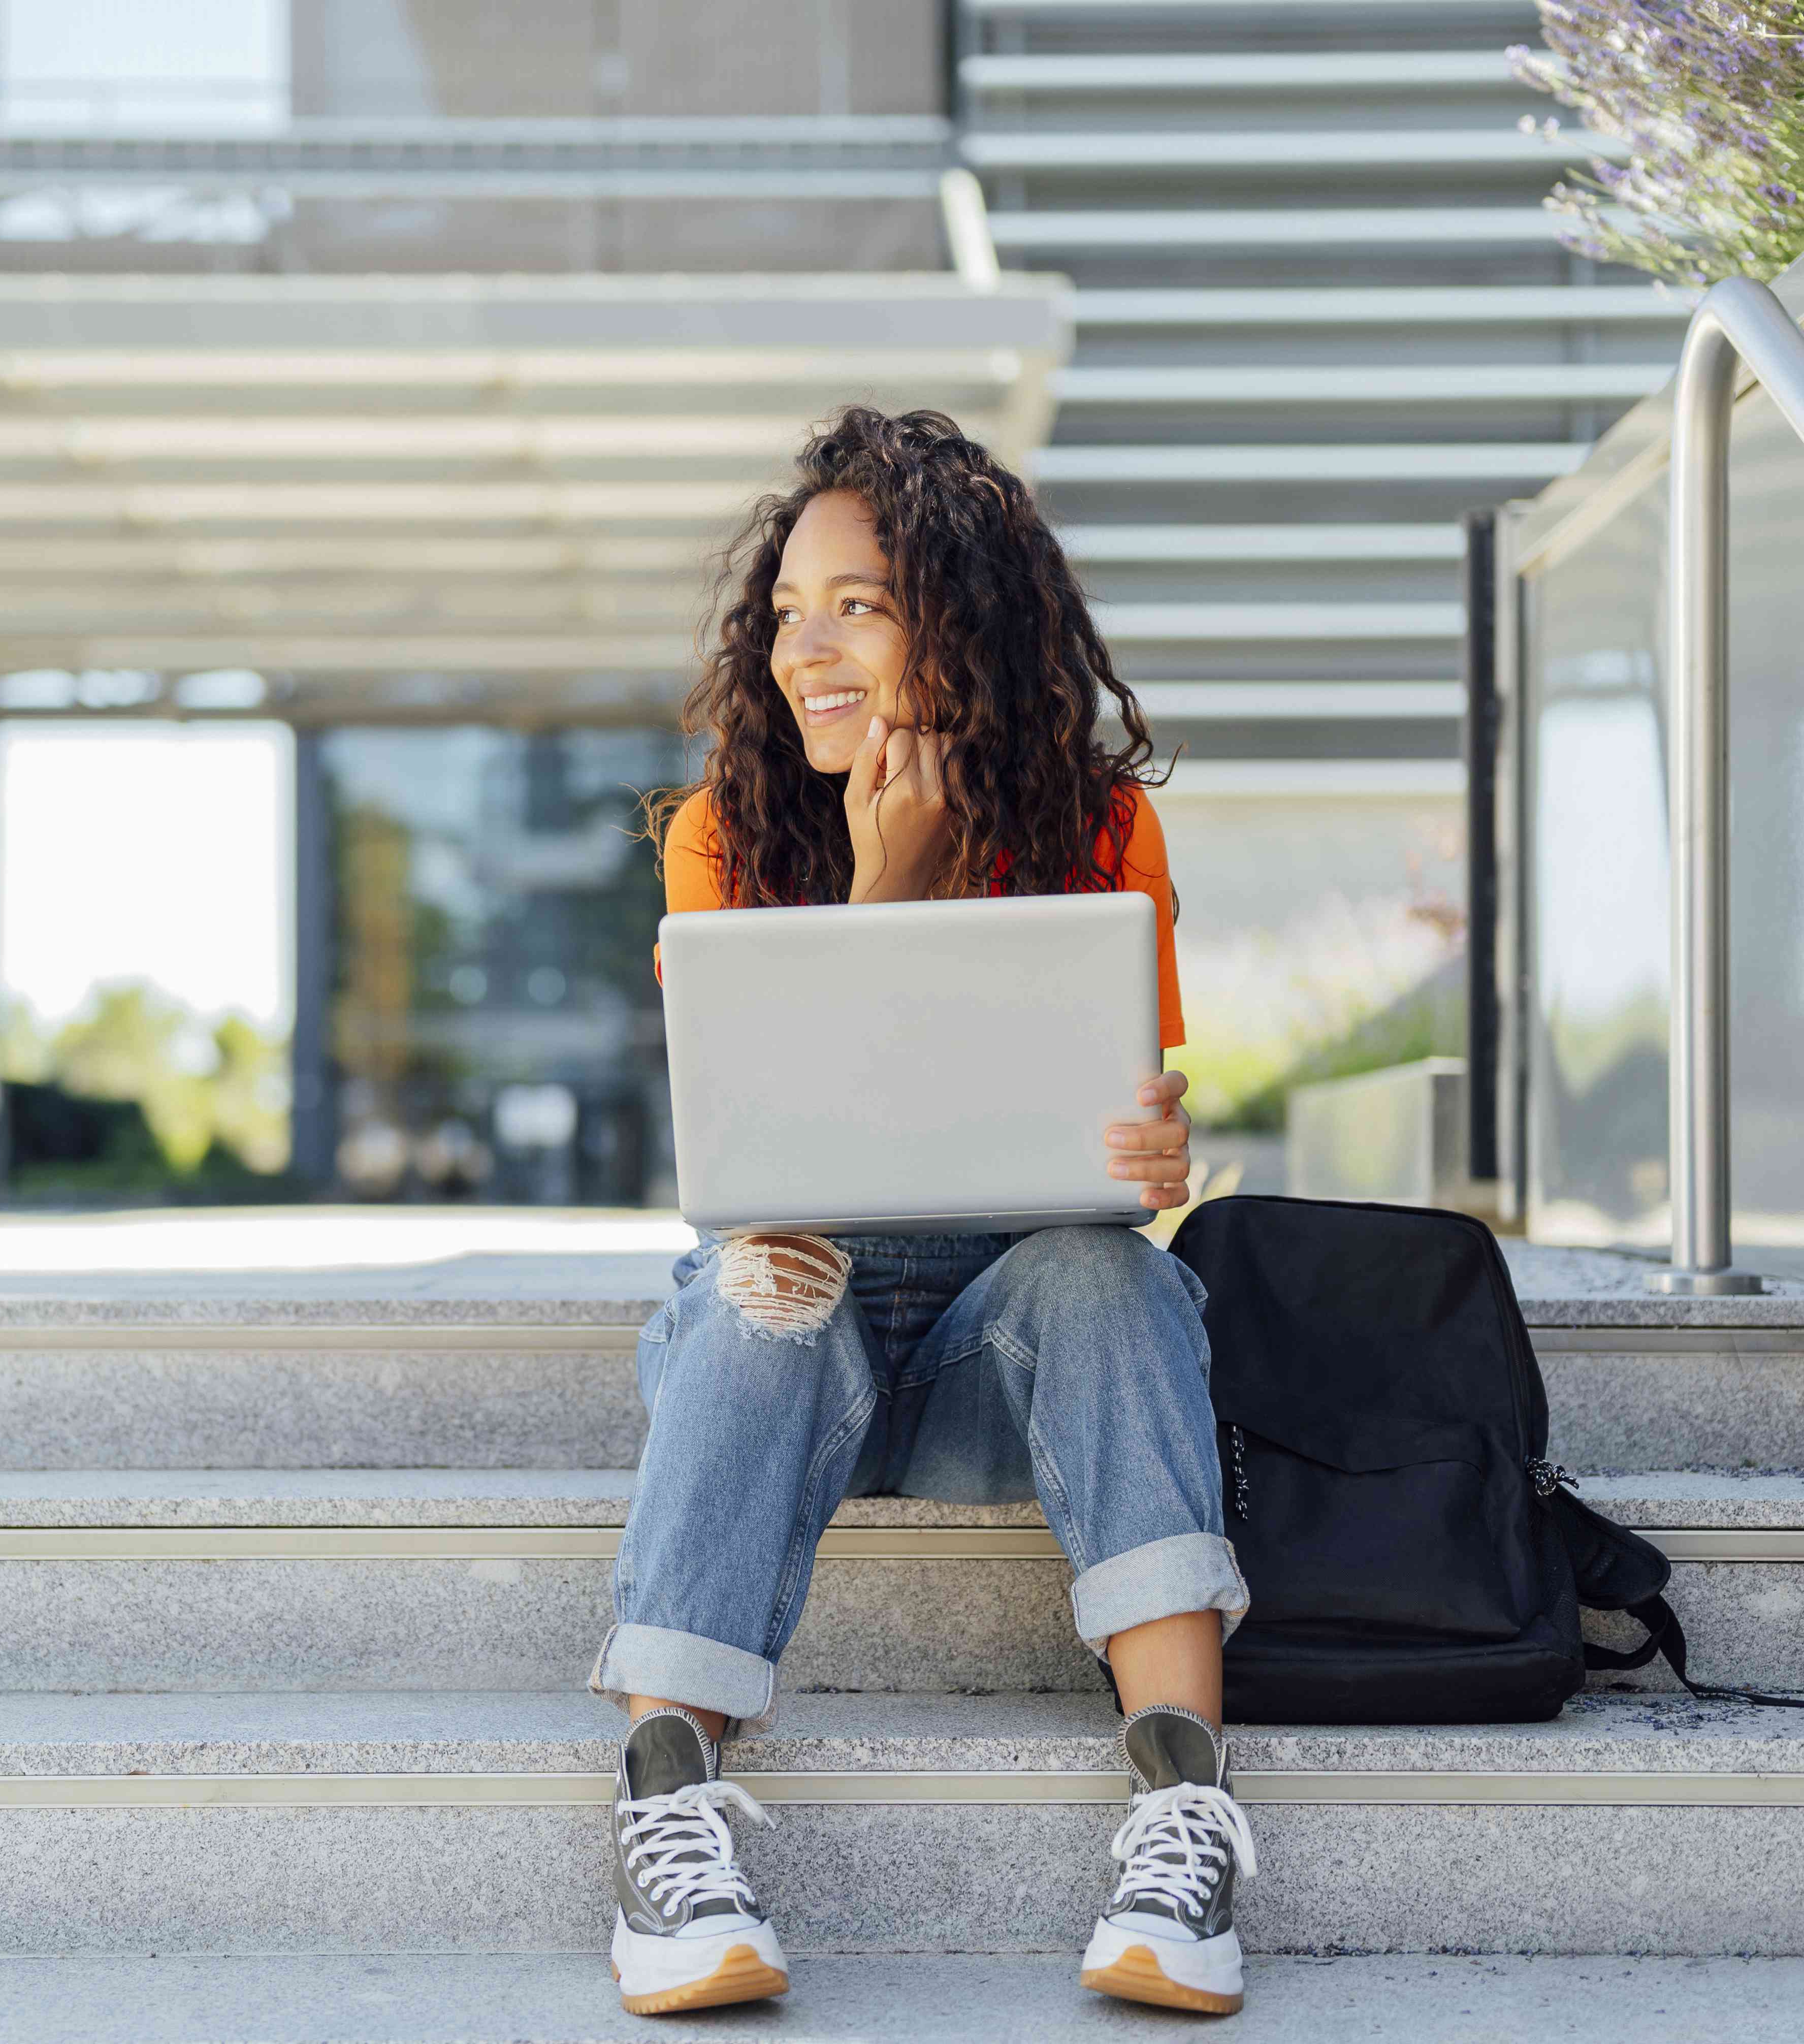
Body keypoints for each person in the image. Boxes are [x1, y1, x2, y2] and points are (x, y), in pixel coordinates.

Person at [602, 407, 1255, 2020]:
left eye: (858, 606)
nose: (804, 652)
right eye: (785, 616)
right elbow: (768, 1161)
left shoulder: (1103, 832)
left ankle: (1184, 1828)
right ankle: (667, 1824)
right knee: (767, 1276)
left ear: (959, 623)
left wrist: (1150, 1143)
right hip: (783, 1360)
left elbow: (1123, 1117)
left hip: (997, 1373)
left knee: (1105, 1273)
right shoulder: (722, 836)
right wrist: (881, 886)